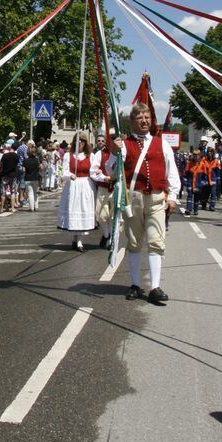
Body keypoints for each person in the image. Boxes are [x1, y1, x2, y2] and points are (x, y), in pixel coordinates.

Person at [107, 102, 181, 303]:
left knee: (156, 241)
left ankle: (155, 286)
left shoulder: (161, 144)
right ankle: (135, 284)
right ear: (132, 121)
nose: (144, 120)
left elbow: (171, 171)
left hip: (157, 198)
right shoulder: (124, 145)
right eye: (140, 117)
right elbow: (109, 171)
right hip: (133, 199)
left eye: (147, 117)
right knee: (134, 242)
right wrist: (114, 152)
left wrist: (173, 196)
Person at [58, 132, 96, 252]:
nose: (80, 143)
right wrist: (70, 175)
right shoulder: (68, 155)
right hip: (73, 186)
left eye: (82, 141)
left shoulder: (91, 155)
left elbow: (94, 172)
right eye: (78, 141)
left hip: (86, 186)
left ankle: (79, 240)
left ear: (85, 143)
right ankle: (75, 239)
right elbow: (63, 173)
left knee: (82, 210)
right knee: (74, 211)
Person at [91, 135, 115, 248]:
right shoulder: (99, 154)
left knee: (113, 216)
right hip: (103, 188)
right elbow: (93, 171)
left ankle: (112, 240)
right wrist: (103, 177)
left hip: (116, 189)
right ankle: (106, 235)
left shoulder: (121, 154)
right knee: (101, 215)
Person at [0, 141, 20, 212]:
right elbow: (17, 164)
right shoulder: (17, 156)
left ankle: (2, 208)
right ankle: (12, 208)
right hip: (13, 175)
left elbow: (0, 164)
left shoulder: (5, 155)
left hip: (5, 175)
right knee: (13, 191)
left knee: (3, 192)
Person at [22, 145, 41, 212]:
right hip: (35, 178)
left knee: (30, 193)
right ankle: (36, 206)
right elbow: (41, 168)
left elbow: (23, 170)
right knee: (35, 193)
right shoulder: (37, 160)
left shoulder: (25, 161)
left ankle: (31, 208)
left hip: (28, 178)